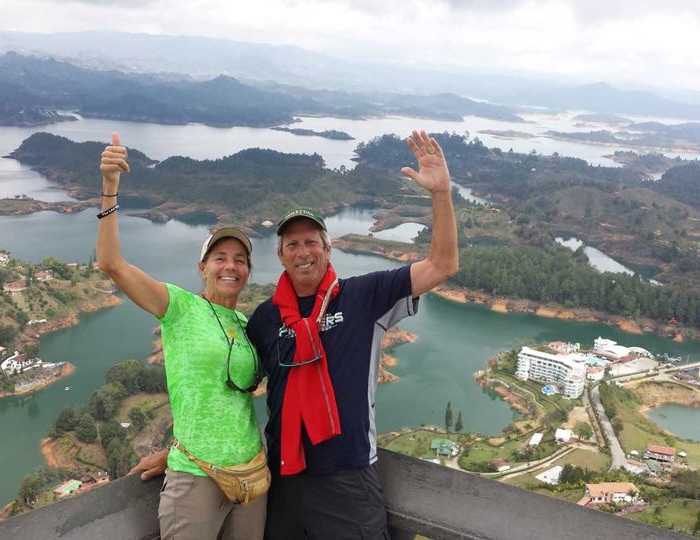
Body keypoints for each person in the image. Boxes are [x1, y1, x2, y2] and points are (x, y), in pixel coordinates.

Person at [133, 129, 458, 539]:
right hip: (282, 476)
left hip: (347, 477)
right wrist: (181, 451)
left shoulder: (363, 296)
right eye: (292, 245)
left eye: (311, 242)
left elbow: (442, 265)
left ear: (327, 249)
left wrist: (440, 194)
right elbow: (225, 392)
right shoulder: (266, 318)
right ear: (281, 255)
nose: (303, 252)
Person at [97, 132, 266, 540]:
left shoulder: (247, 326)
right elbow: (112, 263)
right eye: (220, 257)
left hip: (251, 478)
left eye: (240, 259)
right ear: (202, 267)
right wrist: (109, 189)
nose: (231, 266)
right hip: (196, 478)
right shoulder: (180, 307)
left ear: (247, 271)